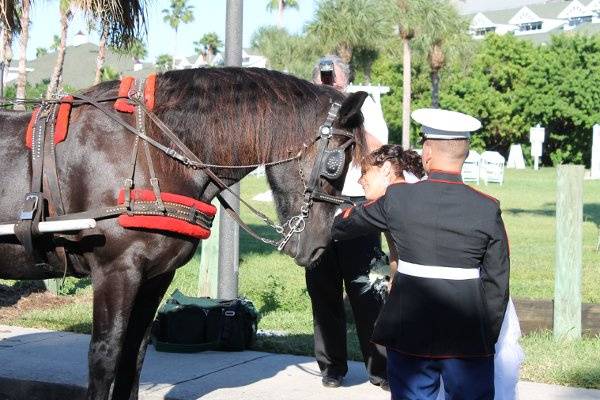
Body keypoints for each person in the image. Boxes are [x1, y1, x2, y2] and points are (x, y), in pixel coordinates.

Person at [332, 108, 510, 400]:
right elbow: (497, 283)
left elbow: (342, 226)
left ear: (427, 151)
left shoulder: (399, 199)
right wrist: (484, 336)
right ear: (464, 154)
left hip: (409, 331)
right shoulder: (487, 208)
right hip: (466, 337)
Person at [307, 54, 389, 389]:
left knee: (369, 290)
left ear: (346, 80)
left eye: (333, 79)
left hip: (357, 204)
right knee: (323, 290)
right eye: (322, 80)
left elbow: (380, 148)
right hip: (317, 206)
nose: (328, 84)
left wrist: (347, 115)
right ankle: (332, 367)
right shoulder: (307, 106)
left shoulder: (364, 104)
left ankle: (380, 367)